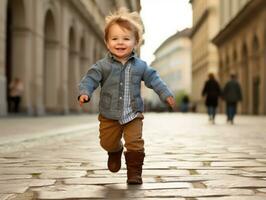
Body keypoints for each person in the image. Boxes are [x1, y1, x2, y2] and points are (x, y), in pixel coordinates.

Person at [78, 8, 175, 185]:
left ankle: (134, 173)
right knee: (106, 142)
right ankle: (114, 151)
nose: (120, 43)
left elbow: (154, 79)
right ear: (107, 43)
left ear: (135, 42)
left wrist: (165, 93)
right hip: (109, 114)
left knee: (135, 142)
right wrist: (85, 92)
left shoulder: (141, 66)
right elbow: (90, 78)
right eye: (114, 39)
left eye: (126, 38)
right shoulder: (102, 66)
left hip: (133, 112)